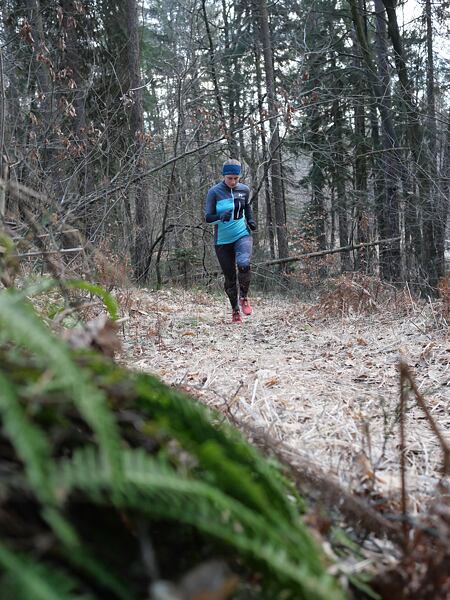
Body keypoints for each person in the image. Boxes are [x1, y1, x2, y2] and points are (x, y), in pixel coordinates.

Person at [204, 159, 256, 324]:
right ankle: (235, 310)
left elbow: (246, 206)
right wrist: (220, 217)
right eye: (229, 178)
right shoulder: (214, 192)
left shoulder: (244, 190)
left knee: (244, 263)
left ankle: (244, 298)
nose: (233, 182)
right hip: (222, 241)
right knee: (230, 277)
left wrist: (251, 220)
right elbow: (208, 218)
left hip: (242, 234)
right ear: (224, 176)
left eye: (236, 178)